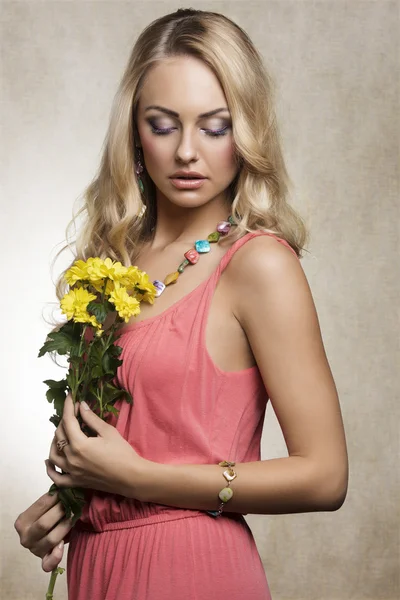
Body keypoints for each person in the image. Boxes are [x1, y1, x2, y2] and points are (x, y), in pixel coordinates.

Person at [14, 8, 348, 600]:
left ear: (245, 132)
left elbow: (325, 477)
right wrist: (69, 504)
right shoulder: (116, 261)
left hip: (192, 569)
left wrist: (137, 479)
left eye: (214, 126)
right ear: (135, 133)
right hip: (100, 569)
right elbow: (131, 435)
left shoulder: (259, 264)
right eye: (164, 125)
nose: (187, 152)